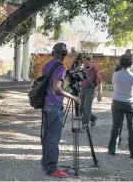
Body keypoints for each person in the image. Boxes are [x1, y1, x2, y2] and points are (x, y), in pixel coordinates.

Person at [40, 43, 80, 178]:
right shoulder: (60, 67)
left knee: (46, 136)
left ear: (53, 52)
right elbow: (57, 88)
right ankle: (52, 168)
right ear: (64, 54)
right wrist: (73, 96)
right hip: (55, 106)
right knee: (53, 138)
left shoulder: (47, 65)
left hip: (46, 104)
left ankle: (45, 164)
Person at [108, 54, 133, 158]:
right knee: (132, 128)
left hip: (117, 101)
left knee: (116, 126)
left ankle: (112, 150)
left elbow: (114, 86)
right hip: (130, 102)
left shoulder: (116, 75)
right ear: (131, 64)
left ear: (120, 63)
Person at [80, 54, 103, 128]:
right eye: (82, 61)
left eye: (85, 61)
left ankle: (85, 124)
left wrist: (99, 94)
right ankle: (93, 118)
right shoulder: (82, 69)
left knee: (87, 107)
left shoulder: (94, 70)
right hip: (82, 89)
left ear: (90, 61)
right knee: (82, 107)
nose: (83, 62)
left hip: (90, 90)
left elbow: (100, 82)